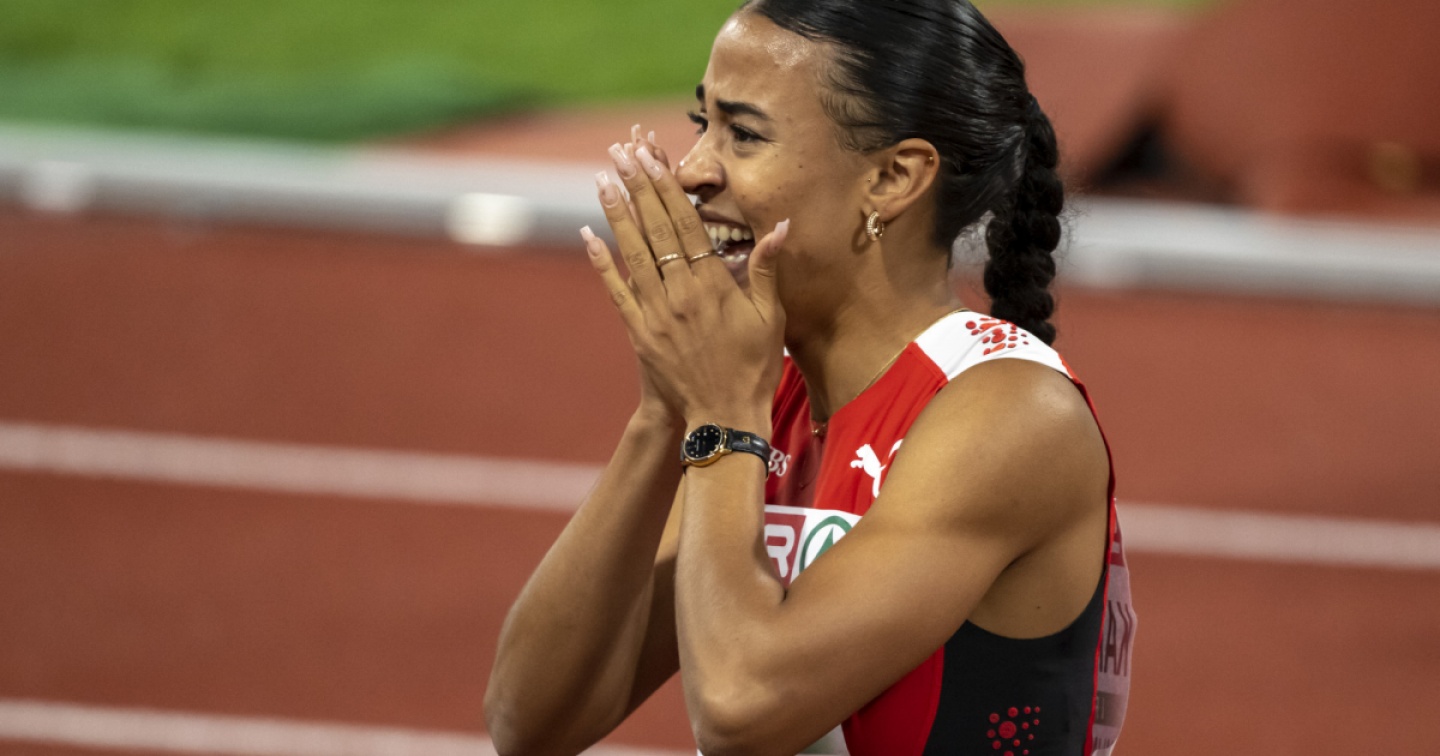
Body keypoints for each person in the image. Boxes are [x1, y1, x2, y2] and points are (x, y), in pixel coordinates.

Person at [484, 1, 1136, 754]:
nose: (692, 170)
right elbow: (529, 721)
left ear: (891, 178)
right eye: (701, 124)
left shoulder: (1011, 415)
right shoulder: (760, 396)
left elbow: (740, 711)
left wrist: (719, 418)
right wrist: (663, 414)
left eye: (744, 134)